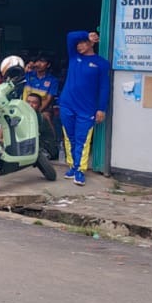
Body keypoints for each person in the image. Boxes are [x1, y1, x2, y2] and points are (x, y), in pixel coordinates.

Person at [60, 30, 110, 186]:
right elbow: (70, 36)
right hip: (67, 104)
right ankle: (72, 166)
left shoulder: (101, 63)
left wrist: (101, 108)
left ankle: (80, 170)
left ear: (91, 44)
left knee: (83, 139)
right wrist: (86, 34)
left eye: (83, 43)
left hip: (87, 109)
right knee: (70, 137)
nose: (79, 45)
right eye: (79, 43)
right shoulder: (74, 57)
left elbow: (104, 87)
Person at [23, 53, 59, 121]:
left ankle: (52, 132)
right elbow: (17, 79)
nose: (38, 64)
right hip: (24, 108)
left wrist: (36, 112)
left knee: (46, 117)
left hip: (42, 109)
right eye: (37, 61)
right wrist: (26, 69)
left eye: (42, 61)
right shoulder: (28, 75)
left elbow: (48, 99)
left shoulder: (53, 80)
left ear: (48, 65)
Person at [27, 93, 61, 162]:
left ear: (40, 106)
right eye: (28, 102)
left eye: (34, 103)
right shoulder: (26, 116)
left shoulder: (40, 117)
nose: (30, 105)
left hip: (46, 149)